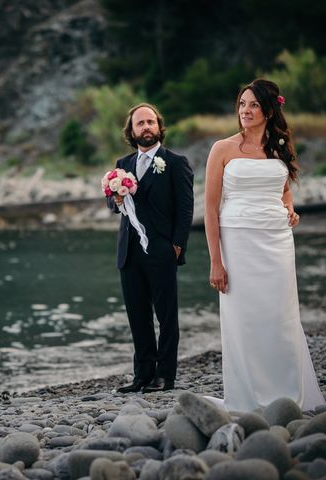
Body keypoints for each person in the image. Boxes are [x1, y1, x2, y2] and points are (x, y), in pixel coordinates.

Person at [204, 79, 324, 411]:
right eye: (242, 104)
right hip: (238, 241)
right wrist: (216, 261)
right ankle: (248, 396)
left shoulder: (279, 146)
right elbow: (210, 208)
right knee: (244, 317)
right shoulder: (222, 149)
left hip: (277, 242)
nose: (245, 110)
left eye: (254, 105)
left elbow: (283, 190)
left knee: (280, 315)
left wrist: (289, 209)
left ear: (269, 110)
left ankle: (286, 394)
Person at [108, 103, 194, 393]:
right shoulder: (122, 165)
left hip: (162, 250)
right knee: (137, 315)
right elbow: (112, 203)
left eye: (150, 122)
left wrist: (178, 246)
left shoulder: (175, 162)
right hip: (129, 251)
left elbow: (185, 209)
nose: (146, 127)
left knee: (166, 316)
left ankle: (165, 375)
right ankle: (142, 374)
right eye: (139, 123)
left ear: (159, 127)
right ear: (132, 132)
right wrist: (116, 200)